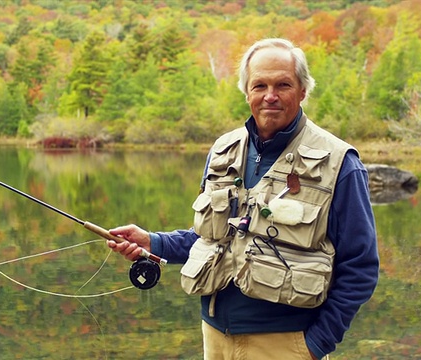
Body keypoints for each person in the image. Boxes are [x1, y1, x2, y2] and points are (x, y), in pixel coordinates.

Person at [107, 38, 379, 360]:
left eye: (283, 85)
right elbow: (213, 238)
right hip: (215, 338)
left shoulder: (340, 163)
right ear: (247, 91)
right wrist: (153, 243)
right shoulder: (223, 150)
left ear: (303, 90)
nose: (270, 96)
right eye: (259, 85)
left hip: (286, 345)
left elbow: (360, 267)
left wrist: (315, 345)